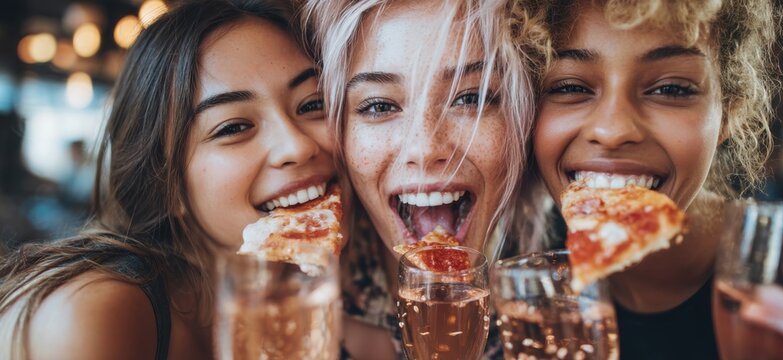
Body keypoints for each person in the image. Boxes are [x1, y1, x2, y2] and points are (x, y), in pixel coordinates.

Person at [0, 0, 340, 358]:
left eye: (312, 104)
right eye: (235, 127)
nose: (298, 146)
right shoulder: (98, 310)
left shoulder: (333, 288)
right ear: (167, 183)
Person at [531, 0, 783, 359]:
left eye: (671, 89)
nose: (613, 130)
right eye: (568, 87)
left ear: (730, 110)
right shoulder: (510, 272)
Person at [302, 0, 547, 358]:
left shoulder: (581, 289)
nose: (425, 147)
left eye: (470, 98)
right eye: (379, 106)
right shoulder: (291, 312)